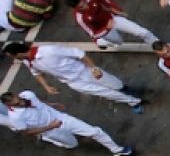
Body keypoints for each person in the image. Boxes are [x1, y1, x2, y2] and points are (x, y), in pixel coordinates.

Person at [5, 41, 143, 110]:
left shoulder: (48, 50)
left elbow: (78, 53)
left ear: (18, 53)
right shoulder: (27, 62)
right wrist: (46, 86)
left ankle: (126, 89)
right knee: (105, 93)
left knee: (113, 83)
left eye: (12, 56)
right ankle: (133, 102)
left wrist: (93, 68)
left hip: (85, 71)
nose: (13, 59)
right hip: (72, 82)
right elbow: (36, 73)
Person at [1, 90, 134, 156]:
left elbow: (38, 102)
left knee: (95, 131)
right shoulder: (15, 118)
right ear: (8, 105)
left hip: (62, 118)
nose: (21, 102)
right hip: (51, 129)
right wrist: (50, 127)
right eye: (17, 103)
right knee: (72, 144)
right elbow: (27, 133)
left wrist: (52, 104)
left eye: (19, 99)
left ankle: (117, 150)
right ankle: (49, 138)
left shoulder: (27, 94)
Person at [67, 0, 157, 51]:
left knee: (142, 32)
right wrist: (106, 28)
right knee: (119, 43)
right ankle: (102, 43)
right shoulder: (80, 19)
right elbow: (93, 33)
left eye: (84, 2)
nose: (85, 6)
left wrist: (116, 10)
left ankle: (157, 45)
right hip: (103, 31)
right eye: (81, 7)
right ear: (75, 8)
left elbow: (106, 0)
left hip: (113, 19)